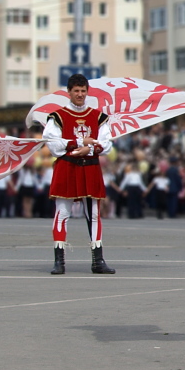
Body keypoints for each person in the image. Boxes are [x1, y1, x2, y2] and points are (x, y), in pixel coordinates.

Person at [43, 73, 115, 275]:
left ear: (87, 92)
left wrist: (89, 150)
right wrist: (78, 143)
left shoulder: (98, 116)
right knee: (62, 213)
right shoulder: (58, 116)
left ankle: (98, 261)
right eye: (76, 91)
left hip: (90, 166)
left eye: (83, 91)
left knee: (93, 215)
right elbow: (52, 143)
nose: (80, 94)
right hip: (67, 167)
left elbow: (106, 144)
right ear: (69, 92)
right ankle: (59, 262)